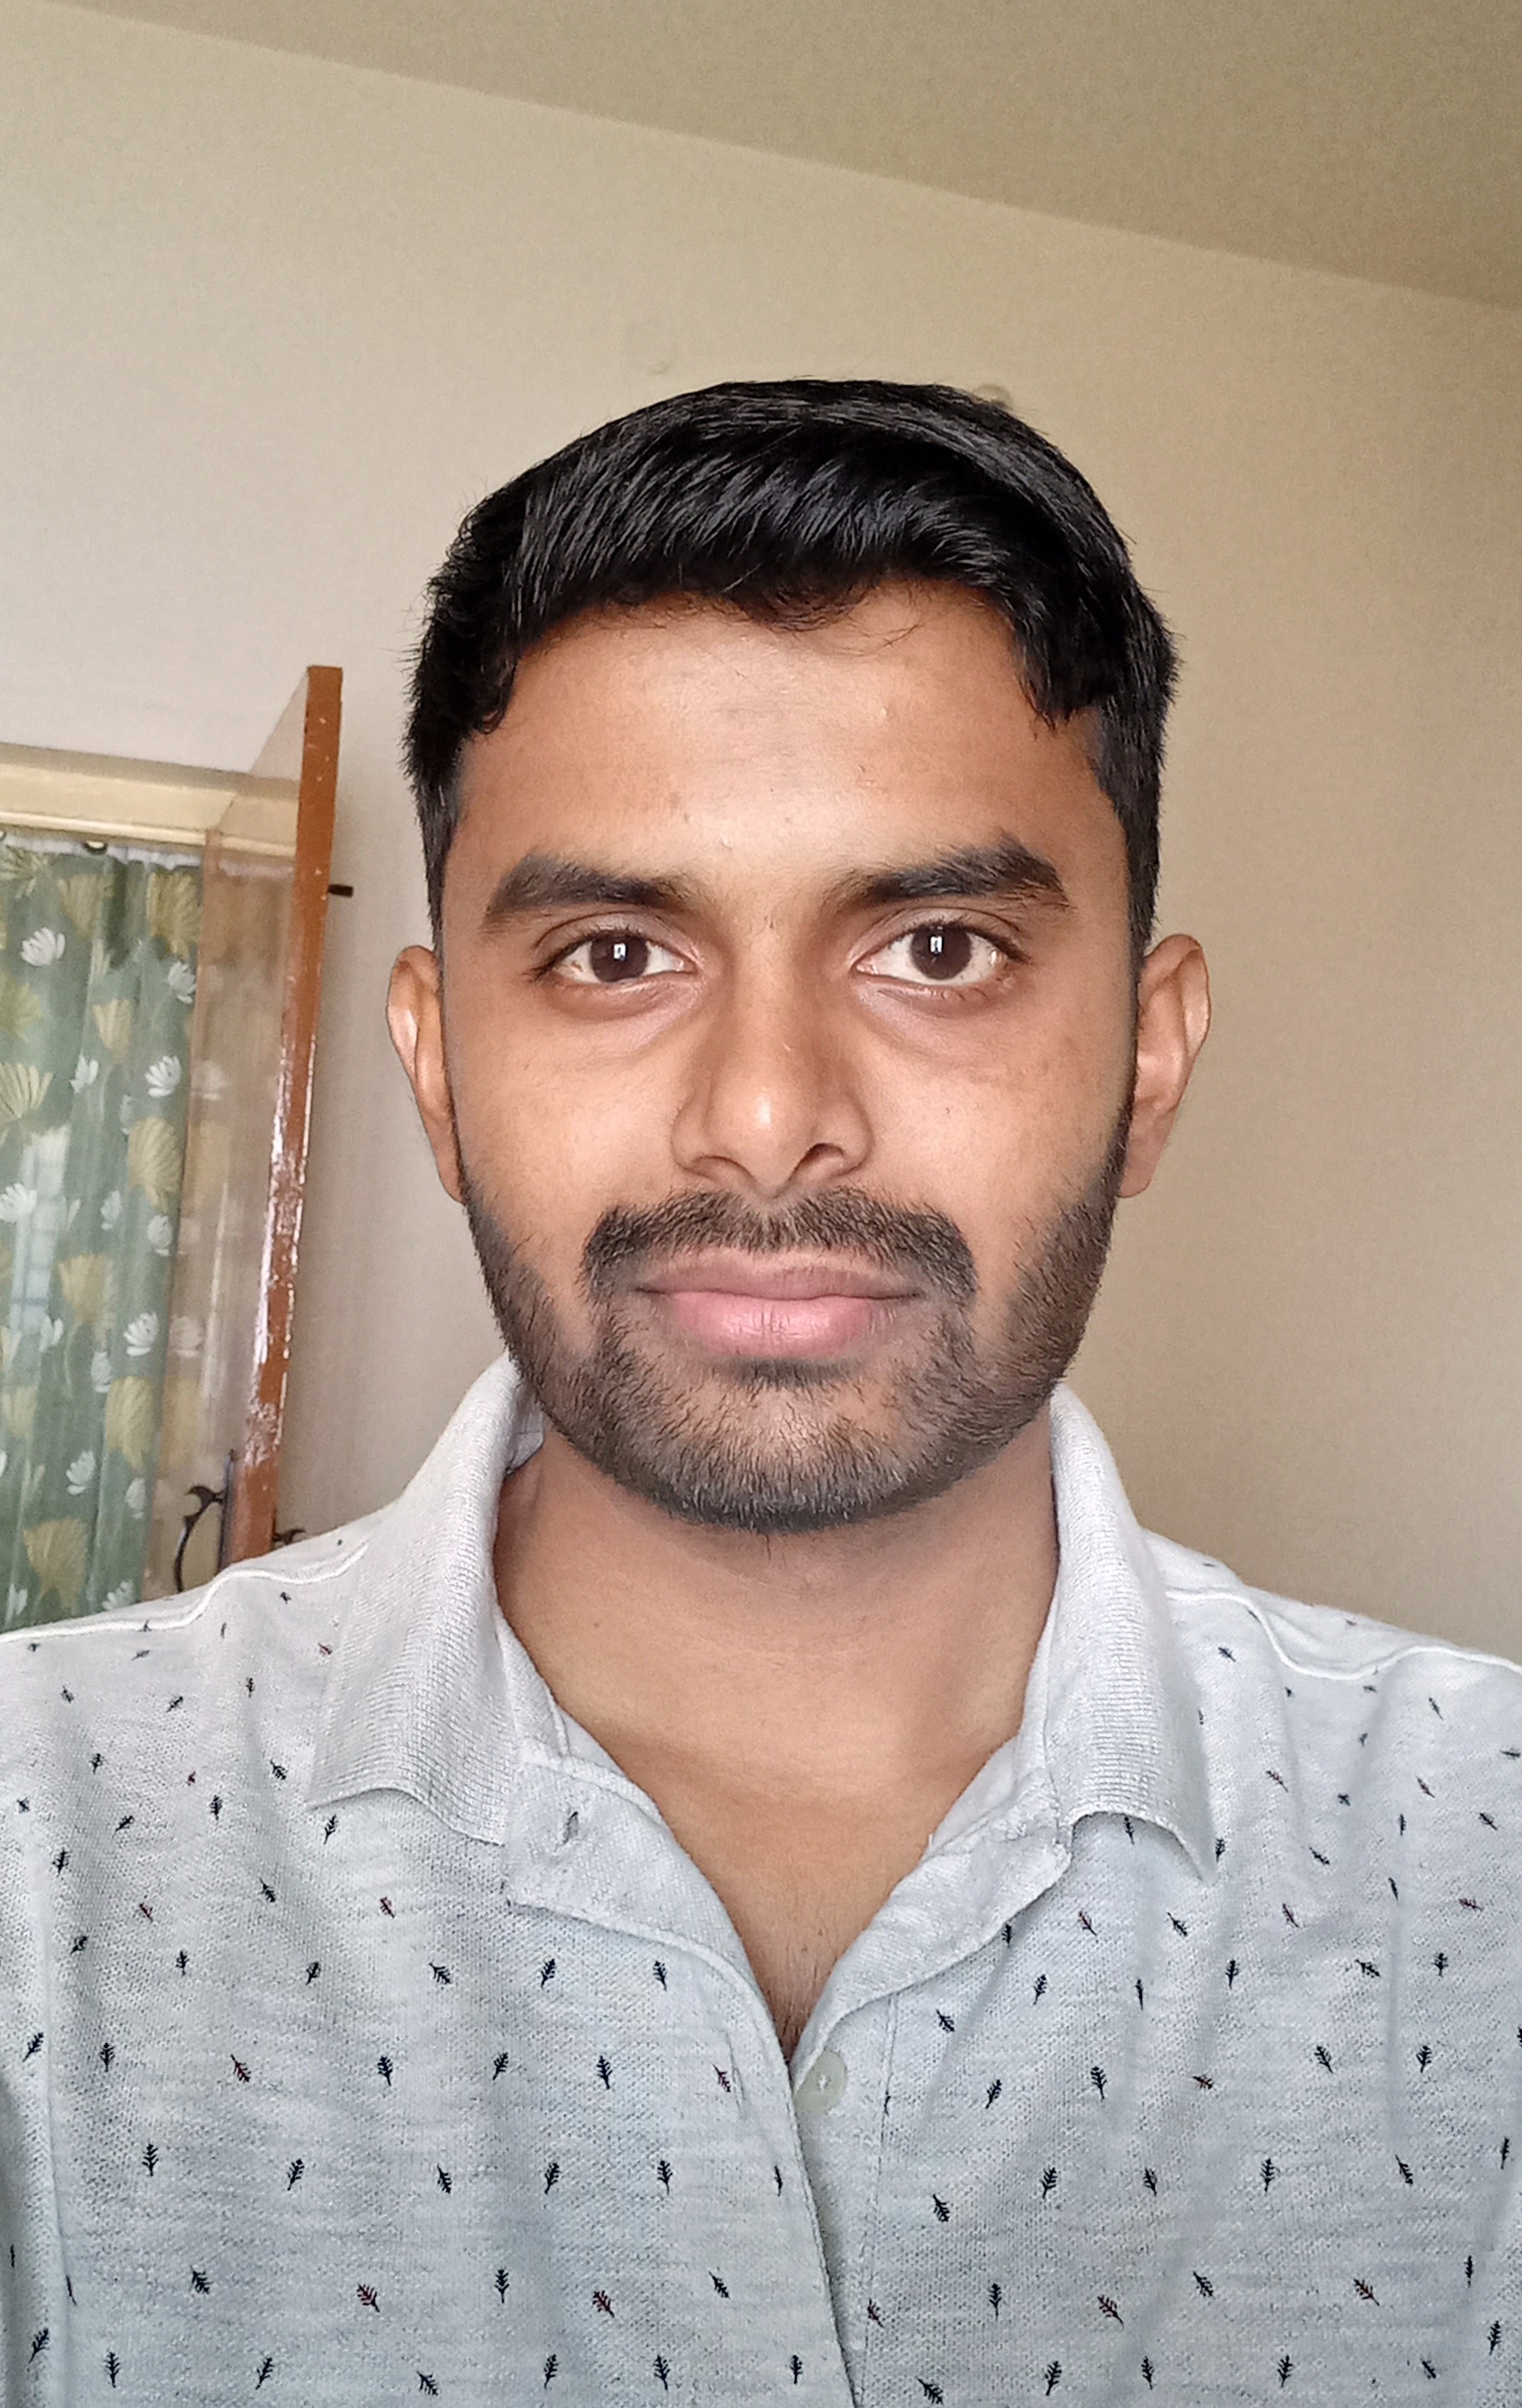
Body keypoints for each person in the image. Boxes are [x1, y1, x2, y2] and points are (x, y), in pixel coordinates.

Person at [2, 379, 1517, 2406]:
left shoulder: (1482, 1857)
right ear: (438, 1072)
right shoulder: (39, 1838)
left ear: (1149, 1065)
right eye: (618, 956)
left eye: (942, 948)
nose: (771, 1116)